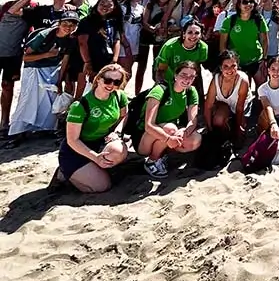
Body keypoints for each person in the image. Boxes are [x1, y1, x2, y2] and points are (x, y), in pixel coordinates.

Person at [7, 11, 80, 145]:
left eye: (72, 25)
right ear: (59, 24)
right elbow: (25, 57)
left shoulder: (70, 40)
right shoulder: (44, 35)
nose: (68, 27)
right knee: (28, 99)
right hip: (34, 69)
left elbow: (65, 60)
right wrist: (47, 54)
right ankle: (17, 132)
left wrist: (59, 81)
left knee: (49, 101)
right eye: (65, 24)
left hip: (52, 70)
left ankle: (45, 128)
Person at [56, 63, 130, 193]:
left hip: (100, 143)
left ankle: (97, 169)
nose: (111, 85)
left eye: (117, 82)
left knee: (119, 151)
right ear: (98, 79)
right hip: (77, 150)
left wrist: (117, 132)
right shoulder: (80, 105)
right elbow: (72, 140)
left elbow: (124, 116)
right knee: (102, 186)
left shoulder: (119, 96)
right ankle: (65, 174)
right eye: (107, 80)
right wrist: (95, 157)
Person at [135, 61, 203, 178]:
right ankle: (152, 160)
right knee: (170, 129)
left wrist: (185, 131)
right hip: (144, 137)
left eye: (191, 77)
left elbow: (193, 120)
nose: (187, 79)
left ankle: (162, 154)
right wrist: (168, 139)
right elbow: (149, 125)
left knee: (195, 139)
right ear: (175, 75)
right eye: (183, 75)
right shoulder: (160, 90)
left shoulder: (191, 92)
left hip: (168, 132)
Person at [0, 0, 43, 134]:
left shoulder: (33, 10)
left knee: (7, 86)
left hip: (13, 55)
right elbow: (13, 10)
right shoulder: (6, 6)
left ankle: (4, 121)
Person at [76, 0, 125, 97]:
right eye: (102, 4)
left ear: (114, 7)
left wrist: (114, 61)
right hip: (89, 59)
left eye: (109, 5)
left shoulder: (113, 22)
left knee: (102, 88)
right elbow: (82, 43)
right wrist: (88, 62)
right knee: (84, 89)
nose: (105, 7)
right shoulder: (87, 21)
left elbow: (116, 40)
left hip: (107, 60)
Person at [220, 0, 270, 80]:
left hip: (256, 59)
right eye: (245, 2)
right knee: (243, 89)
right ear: (239, 5)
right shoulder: (230, 20)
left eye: (251, 2)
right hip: (236, 62)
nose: (248, 4)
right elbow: (222, 44)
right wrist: (227, 62)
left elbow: (264, 40)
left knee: (261, 86)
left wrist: (264, 59)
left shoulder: (259, 19)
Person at [203, 50, 249, 147]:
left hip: (239, 108)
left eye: (233, 66)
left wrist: (238, 129)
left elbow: (239, 108)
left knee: (241, 131)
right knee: (218, 121)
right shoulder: (216, 79)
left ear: (238, 66)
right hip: (223, 106)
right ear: (220, 68)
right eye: (226, 67)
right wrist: (209, 129)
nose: (230, 70)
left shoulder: (243, 80)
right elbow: (208, 105)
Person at [154, 20, 208, 94]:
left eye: (197, 33)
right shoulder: (170, 46)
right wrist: (161, 89)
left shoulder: (203, 48)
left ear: (201, 35)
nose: (193, 36)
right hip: (168, 81)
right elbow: (161, 71)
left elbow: (196, 69)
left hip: (187, 83)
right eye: (190, 32)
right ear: (184, 34)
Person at [118, 0, 145, 80]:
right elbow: (119, 28)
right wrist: (125, 44)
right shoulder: (123, 8)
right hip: (124, 43)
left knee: (128, 72)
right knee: (123, 72)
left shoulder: (141, 9)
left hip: (135, 43)